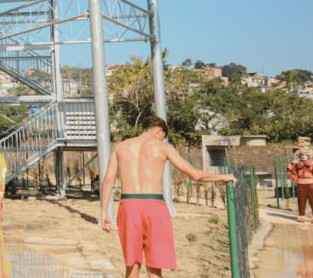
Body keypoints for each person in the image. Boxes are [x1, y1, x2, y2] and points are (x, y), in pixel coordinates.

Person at [100, 116, 235, 278]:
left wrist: (104, 213)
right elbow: (194, 174)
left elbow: (107, 180)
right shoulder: (163, 148)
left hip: (128, 206)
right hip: (154, 206)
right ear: (159, 131)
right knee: (155, 267)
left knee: (131, 265)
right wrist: (223, 177)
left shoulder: (121, 147)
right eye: (163, 136)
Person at [288, 149, 313, 223]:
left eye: (305, 155)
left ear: (308, 156)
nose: (303, 157)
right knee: (301, 200)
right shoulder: (295, 164)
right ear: (299, 156)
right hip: (300, 184)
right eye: (302, 155)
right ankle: (301, 215)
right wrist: (294, 178)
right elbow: (289, 170)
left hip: (311, 184)